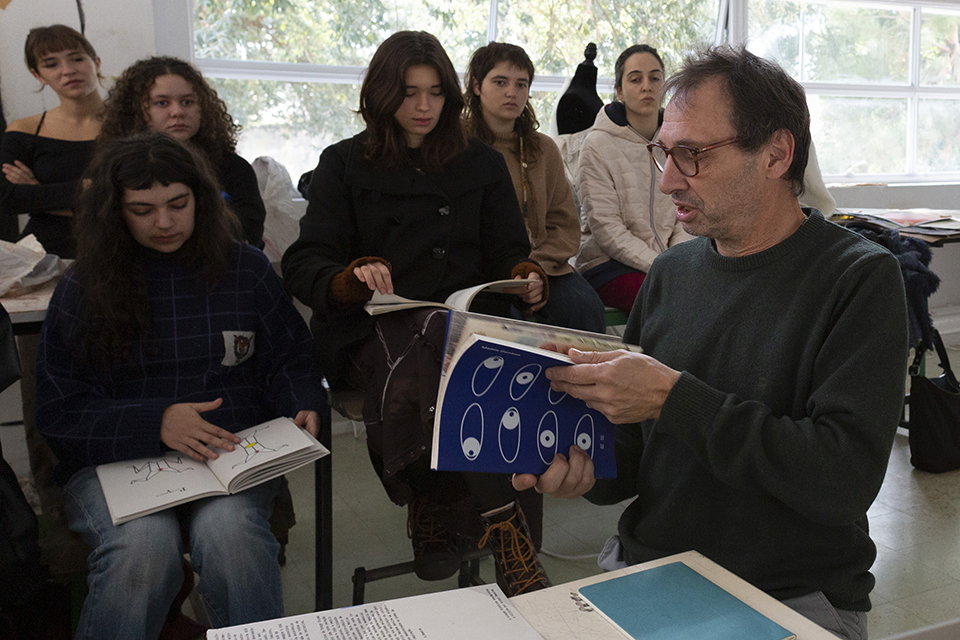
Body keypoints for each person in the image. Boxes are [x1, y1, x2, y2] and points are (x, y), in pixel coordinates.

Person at [515, 46, 908, 640]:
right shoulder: (672, 272)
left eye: (692, 155)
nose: (668, 179)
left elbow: (842, 482)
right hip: (651, 571)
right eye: (664, 152)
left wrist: (672, 398)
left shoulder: (858, 278)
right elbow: (634, 460)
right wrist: (582, 468)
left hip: (785, 594)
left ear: (776, 154)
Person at [282, 31, 551, 597]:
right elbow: (304, 262)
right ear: (381, 94)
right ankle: (509, 534)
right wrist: (349, 278)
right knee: (437, 348)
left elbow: (508, 249)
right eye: (408, 93)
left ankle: (431, 505)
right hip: (368, 330)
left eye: (435, 92)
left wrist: (525, 276)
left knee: (492, 358)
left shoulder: (480, 163)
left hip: (461, 325)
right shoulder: (343, 162)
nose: (424, 106)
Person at [35, 132, 325, 639]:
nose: (164, 222)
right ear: (115, 212)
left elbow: (291, 359)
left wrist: (302, 400)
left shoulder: (245, 268)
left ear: (202, 200)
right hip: (118, 465)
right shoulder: (83, 286)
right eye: (142, 210)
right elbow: (59, 413)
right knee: (141, 550)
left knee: (232, 538)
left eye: (178, 204)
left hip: (231, 455)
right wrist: (158, 423)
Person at [463, 42, 605, 333]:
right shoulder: (456, 145)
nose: (512, 92)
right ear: (476, 86)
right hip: (482, 271)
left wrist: (535, 270)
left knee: (584, 308)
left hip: (543, 267)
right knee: (502, 317)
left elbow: (564, 224)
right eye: (500, 82)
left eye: (521, 84)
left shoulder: (544, 149)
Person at [99, 56, 266, 247]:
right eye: (162, 103)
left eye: (187, 102)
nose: (177, 112)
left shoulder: (234, 168)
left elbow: (249, 234)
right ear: (135, 110)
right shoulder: (115, 170)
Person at [575, 44, 692, 313]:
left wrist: (675, 261)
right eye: (635, 79)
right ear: (619, 90)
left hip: (667, 262)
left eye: (655, 78)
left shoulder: (677, 143)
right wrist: (663, 265)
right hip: (607, 265)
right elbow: (607, 228)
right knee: (669, 303)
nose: (647, 87)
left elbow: (685, 213)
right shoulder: (597, 144)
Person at [0, 24, 104, 258]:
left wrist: (37, 194)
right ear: (38, 75)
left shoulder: (131, 123)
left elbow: (134, 193)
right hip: (41, 256)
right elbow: (6, 197)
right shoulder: (24, 129)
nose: (67, 71)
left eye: (77, 59)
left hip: (116, 250)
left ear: (96, 62)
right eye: (51, 64)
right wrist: (90, 188)